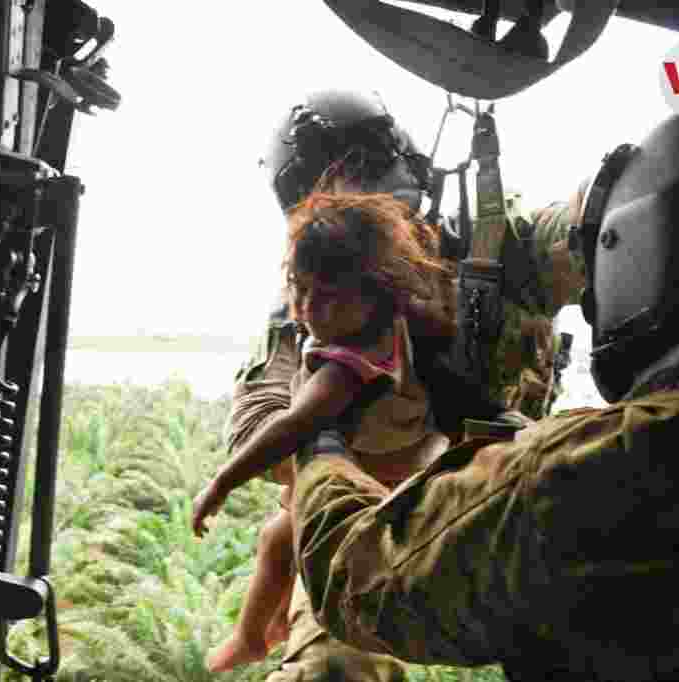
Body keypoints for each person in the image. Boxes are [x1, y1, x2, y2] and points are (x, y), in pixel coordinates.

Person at [285, 15, 679, 680]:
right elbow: (647, 210)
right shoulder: (302, 331)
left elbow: (629, 207)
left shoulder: (495, 253)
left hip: (469, 500)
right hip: (380, 504)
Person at [222, 88, 587, 682]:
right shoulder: (311, 313)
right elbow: (256, 419)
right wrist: (327, 429)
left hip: (504, 482)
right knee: (333, 670)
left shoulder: (491, 246)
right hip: (363, 510)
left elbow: (581, 234)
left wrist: (615, 218)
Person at [194, 191, 454, 672]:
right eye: (299, 288)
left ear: (377, 293)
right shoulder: (395, 325)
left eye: (329, 296)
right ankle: (258, 633)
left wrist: (221, 482)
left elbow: (294, 425)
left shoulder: (344, 369)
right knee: (277, 536)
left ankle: (252, 637)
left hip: (368, 478)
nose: (309, 307)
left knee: (277, 540)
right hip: (398, 462)